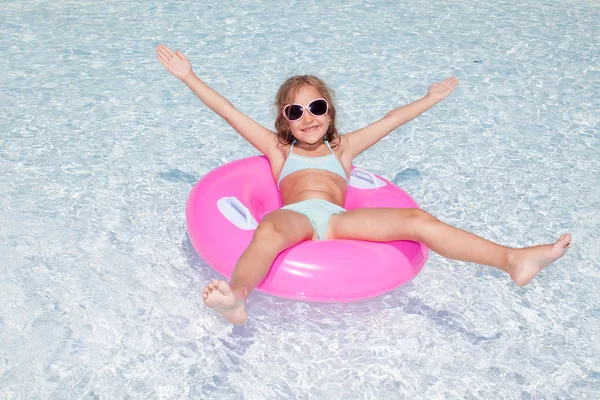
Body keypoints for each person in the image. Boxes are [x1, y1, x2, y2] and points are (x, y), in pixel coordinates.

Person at [156, 44, 572, 325]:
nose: (308, 117)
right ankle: (238, 297)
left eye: (316, 107)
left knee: (416, 219)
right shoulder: (278, 150)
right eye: (295, 111)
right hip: (295, 217)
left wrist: (428, 100)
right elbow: (229, 112)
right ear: (284, 120)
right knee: (268, 230)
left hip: (338, 221)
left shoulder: (345, 149)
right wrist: (188, 76)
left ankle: (512, 260)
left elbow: (392, 120)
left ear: (330, 111)